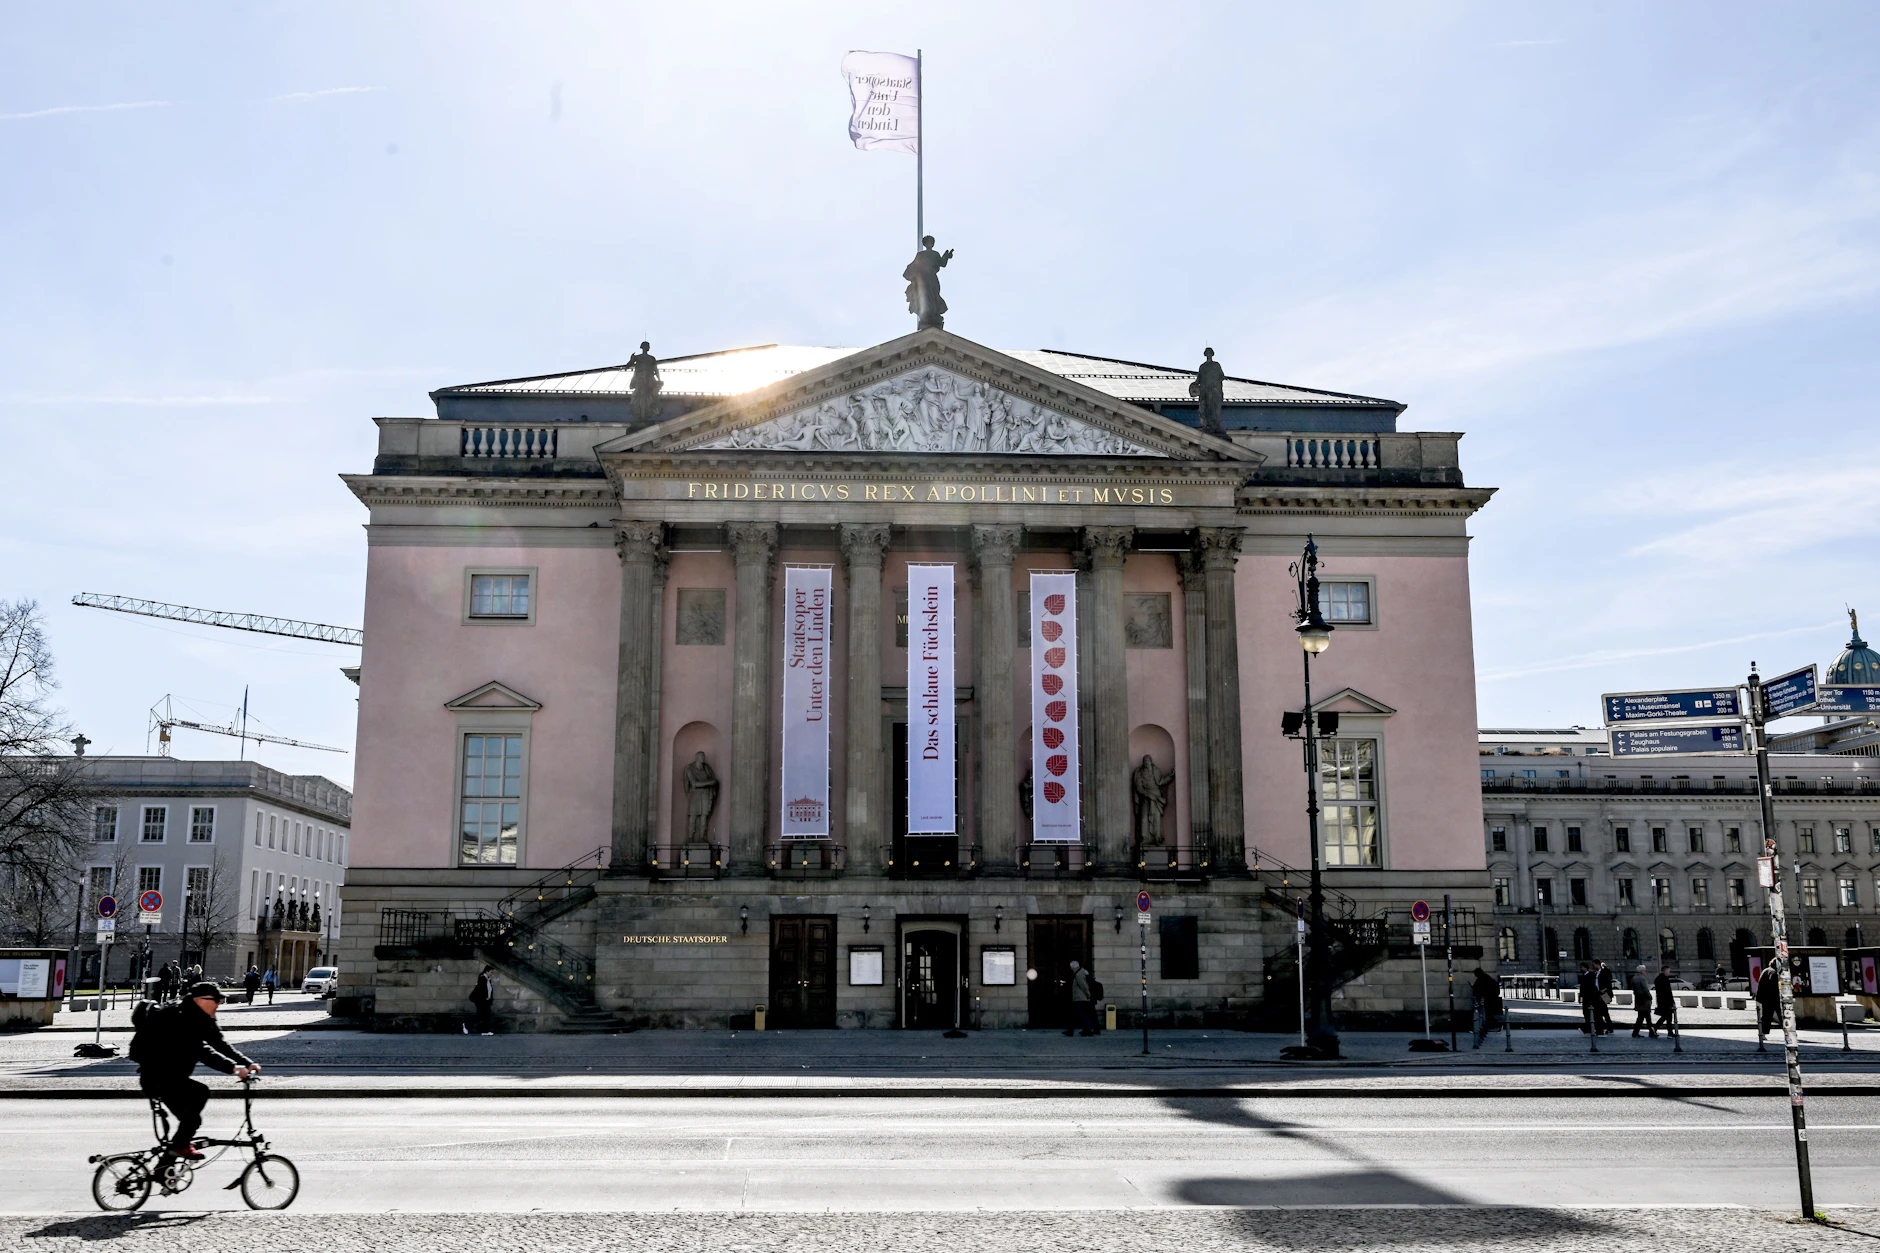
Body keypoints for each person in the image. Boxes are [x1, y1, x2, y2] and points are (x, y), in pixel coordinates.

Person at [128, 981, 259, 1162]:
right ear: (200, 1000)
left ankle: (165, 1168)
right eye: (217, 1000)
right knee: (198, 1097)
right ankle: (177, 1150)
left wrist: (247, 1063)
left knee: (189, 1123)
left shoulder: (202, 1018)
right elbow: (203, 1052)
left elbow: (219, 1043)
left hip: (171, 1078)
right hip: (157, 1078)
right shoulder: (181, 1018)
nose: (220, 1003)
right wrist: (233, 1068)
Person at [1469, 966, 1500, 1048]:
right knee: (1488, 1012)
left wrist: (1473, 987)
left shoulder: (1482, 978)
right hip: (1491, 996)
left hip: (1489, 997)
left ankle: (1495, 1025)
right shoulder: (1485, 977)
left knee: (1487, 1012)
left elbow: (1477, 988)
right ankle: (1494, 1025)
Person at [1756, 961, 1782, 1051]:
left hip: (1765, 998)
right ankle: (1787, 1032)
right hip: (1773, 997)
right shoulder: (1774, 972)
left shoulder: (1766, 970)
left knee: (1766, 1016)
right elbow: (1775, 985)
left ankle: (1763, 1033)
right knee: (1781, 1015)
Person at [1066, 960, 1097, 1038]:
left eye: (1071, 967)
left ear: (1073, 967)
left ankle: (1086, 1031)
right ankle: (1081, 1030)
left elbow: (1084, 986)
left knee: (1080, 1015)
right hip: (1080, 998)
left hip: (1080, 998)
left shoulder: (1079, 975)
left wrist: (1088, 995)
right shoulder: (1079, 973)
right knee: (1078, 1015)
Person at [1629, 965, 1656, 1038]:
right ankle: (1650, 1032)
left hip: (1638, 1000)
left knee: (1642, 1017)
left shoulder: (1634, 978)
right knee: (1645, 1018)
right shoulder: (1642, 978)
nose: (1646, 971)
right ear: (1641, 971)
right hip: (1645, 1001)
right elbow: (1645, 990)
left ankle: (1639, 1032)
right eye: (1645, 970)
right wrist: (1650, 997)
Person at [469, 966, 497, 1035]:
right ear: (486, 971)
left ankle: (485, 1030)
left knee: (484, 1016)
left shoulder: (487, 979)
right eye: (491, 972)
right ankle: (484, 1030)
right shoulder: (482, 979)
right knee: (484, 1016)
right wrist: (485, 999)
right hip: (482, 1001)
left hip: (485, 1001)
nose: (492, 974)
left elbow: (489, 990)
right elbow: (481, 990)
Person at [1575, 962, 1599, 1035]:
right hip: (1585, 997)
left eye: (1582, 967)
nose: (1580, 969)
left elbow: (1590, 987)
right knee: (1586, 1013)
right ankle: (1588, 1028)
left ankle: (1593, 1028)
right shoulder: (1583, 976)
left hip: (1590, 997)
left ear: (1585, 968)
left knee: (1592, 1013)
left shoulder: (1591, 975)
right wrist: (1580, 997)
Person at [1654, 966, 1678, 1038]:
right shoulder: (1664, 979)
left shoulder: (1657, 979)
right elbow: (1668, 992)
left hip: (1661, 1001)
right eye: (1668, 971)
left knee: (1667, 1017)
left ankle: (1669, 1032)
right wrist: (1672, 1002)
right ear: (1665, 971)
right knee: (1667, 1017)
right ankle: (1656, 1028)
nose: (1669, 972)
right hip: (1666, 1001)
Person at [1592, 961, 1616, 1035]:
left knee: (1604, 1012)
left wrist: (1604, 991)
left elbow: (1608, 983)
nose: (1593, 966)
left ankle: (1608, 1028)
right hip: (1598, 994)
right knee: (1601, 1012)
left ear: (1597, 965)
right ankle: (1605, 1027)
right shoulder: (1596, 973)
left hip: (1603, 994)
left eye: (1594, 965)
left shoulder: (1604, 972)